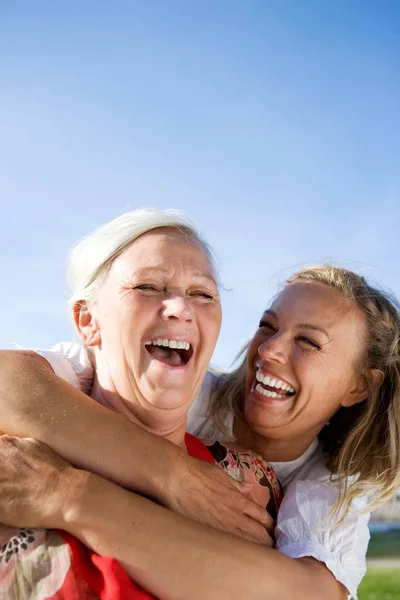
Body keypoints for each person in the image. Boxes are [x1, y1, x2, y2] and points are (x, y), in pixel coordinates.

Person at [1, 256, 400, 597]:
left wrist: (70, 495)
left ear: (359, 385)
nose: (269, 350)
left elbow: (306, 594)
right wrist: (173, 474)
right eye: (268, 325)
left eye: (309, 342)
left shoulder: (329, 486)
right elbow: (9, 382)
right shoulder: (182, 387)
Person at [0, 208, 281, 599]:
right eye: (148, 287)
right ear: (87, 322)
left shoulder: (255, 484)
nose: (181, 309)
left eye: (202, 294)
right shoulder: (15, 467)